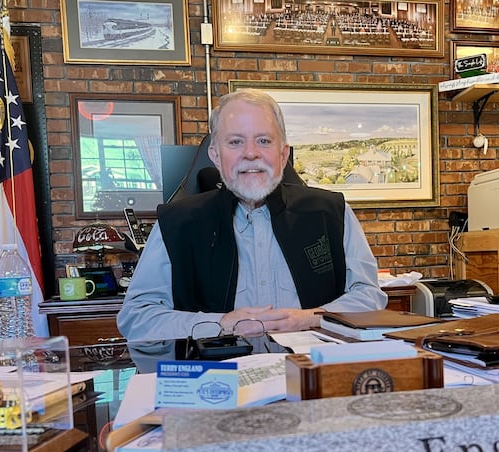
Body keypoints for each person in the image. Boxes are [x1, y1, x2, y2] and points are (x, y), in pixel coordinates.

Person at [117, 88, 388, 372]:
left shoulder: (332, 213)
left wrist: (311, 318)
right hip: (212, 387)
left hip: (315, 379)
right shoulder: (176, 223)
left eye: (263, 140)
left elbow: (370, 298)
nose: (250, 153)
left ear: (283, 154)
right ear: (215, 155)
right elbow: (137, 318)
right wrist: (219, 324)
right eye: (235, 142)